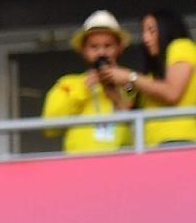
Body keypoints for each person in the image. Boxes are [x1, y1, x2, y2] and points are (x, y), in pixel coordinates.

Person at [41, 11, 136, 155]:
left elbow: (142, 126)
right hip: (80, 167)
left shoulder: (130, 83)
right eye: (94, 47)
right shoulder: (68, 84)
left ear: (119, 48)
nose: (101, 52)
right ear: (83, 51)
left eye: (108, 46)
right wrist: (83, 88)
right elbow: (50, 128)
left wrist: (118, 91)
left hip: (124, 165)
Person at [130, 10, 196, 146]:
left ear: (167, 28)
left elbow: (172, 93)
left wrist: (130, 77)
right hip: (152, 147)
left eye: (151, 31)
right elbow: (127, 111)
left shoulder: (180, 46)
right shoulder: (150, 77)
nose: (145, 38)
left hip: (179, 140)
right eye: (143, 32)